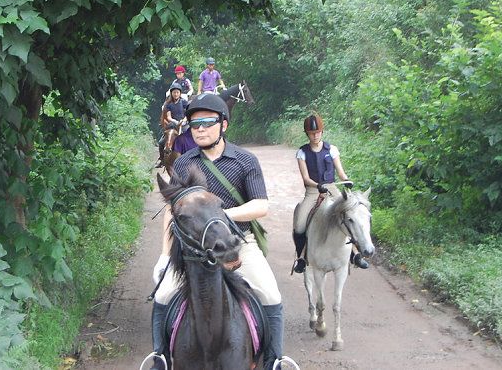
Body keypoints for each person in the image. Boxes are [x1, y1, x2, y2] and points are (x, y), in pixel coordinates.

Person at [149, 93, 285, 370]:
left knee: (271, 295)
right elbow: (172, 210)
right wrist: (164, 255)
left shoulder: (245, 160)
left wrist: (217, 217)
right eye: (194, 124)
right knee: (163, 295)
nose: (199, 129)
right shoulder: (185, 162)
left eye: (208, 122)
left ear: (224, 125)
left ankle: (274, 361)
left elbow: (261, 205)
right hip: (195, 249)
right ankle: (160, 358)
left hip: (238, 242)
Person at [291, 113, 368, 274]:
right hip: (313, 191)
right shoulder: (302, 153)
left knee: (350, 214)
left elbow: (340, 172)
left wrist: (346, 180)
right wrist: (317, 185)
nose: (315, 135)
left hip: (332, 187)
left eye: (318, 132)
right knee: (299, 225)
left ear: (322, 132)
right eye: (312, 133)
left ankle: (356, 254)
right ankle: (301, 258)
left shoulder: (331, 149)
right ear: (307, 134)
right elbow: (305, 177)